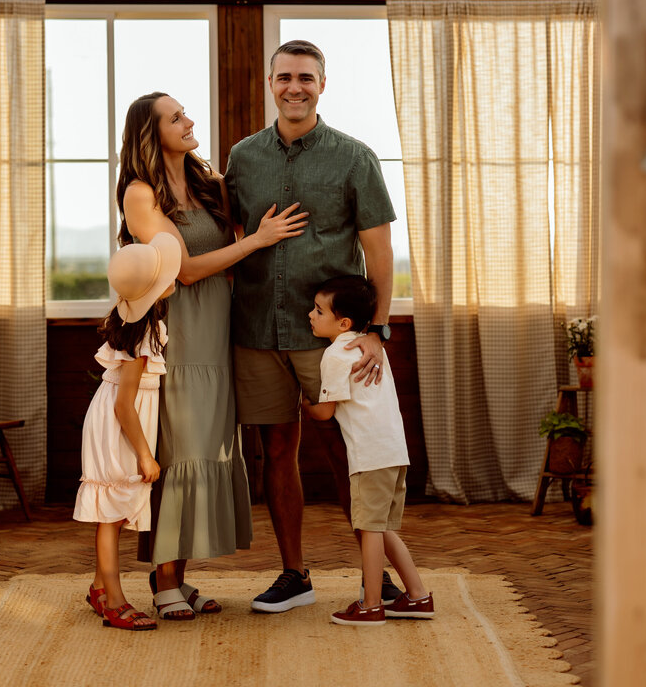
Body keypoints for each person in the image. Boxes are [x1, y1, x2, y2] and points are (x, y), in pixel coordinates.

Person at [224, 40, 400, 613]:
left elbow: (379, 249)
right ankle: (294, 573)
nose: (293, 87)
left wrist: (375, 327)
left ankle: (382, 580)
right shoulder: (242, 158)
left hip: (327, 340)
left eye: (305, 77)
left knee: (349, 454)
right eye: (283, 77)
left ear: (323, 84)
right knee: (277, 450)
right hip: (254, 329)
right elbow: (227, 237)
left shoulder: (355, 157)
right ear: (270, 84)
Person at [118, 91, 308, 620]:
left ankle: (182, 579)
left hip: (218, 334)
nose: (189, 120)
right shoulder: (140, 194)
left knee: (205, 452)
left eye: (185, 113)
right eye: (175, 117)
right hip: (178, 339)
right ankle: (163, 584)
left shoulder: (208, 184)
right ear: (150, 133)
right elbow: (186, 270)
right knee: (179, 453)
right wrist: (258, 240)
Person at [301, 275, 433, 626]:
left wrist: (303, 403)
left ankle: (371, 604)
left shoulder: (335, 354)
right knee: (384, 528)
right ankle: (418, 596)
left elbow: (326, 411)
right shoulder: (369, 347)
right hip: (394, 453)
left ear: (342, 323)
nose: (310, 315)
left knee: (370, 530)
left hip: (370, 457)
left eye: (318, 310)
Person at [73, 232, 181, 631]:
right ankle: (115, 601)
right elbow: (124, 405)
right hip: (121, 424)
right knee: (111, 514)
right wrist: (144, 454)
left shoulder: (142, 322)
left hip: (121, 418)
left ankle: (99, 589)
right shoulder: (141, 335)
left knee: (114, 510)